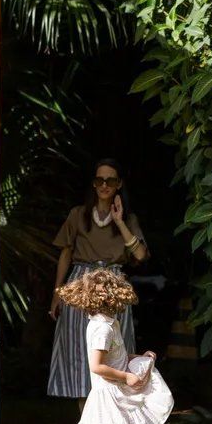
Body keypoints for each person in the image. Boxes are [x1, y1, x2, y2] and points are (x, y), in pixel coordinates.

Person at [58, 269, 173, 424]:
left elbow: (114, 356)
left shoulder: (110, 324)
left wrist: (136, 357)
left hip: (116, 391)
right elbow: (97, 366)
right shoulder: (102, 328)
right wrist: (126, 377)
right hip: (108, 394)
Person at [48, 158, 149, 405]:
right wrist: (57, 293)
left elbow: (140, 255)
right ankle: (87, 420)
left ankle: (116, 415)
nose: (104, 185)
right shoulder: (78, 214)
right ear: (93, 184)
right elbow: (65, 254)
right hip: (81, 286)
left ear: (118, 184)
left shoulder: (127, 219)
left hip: (114, 287)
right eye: (99, 180)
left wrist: (119, 221)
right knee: (80, 350)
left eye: (110, 180)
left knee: (114, 348)